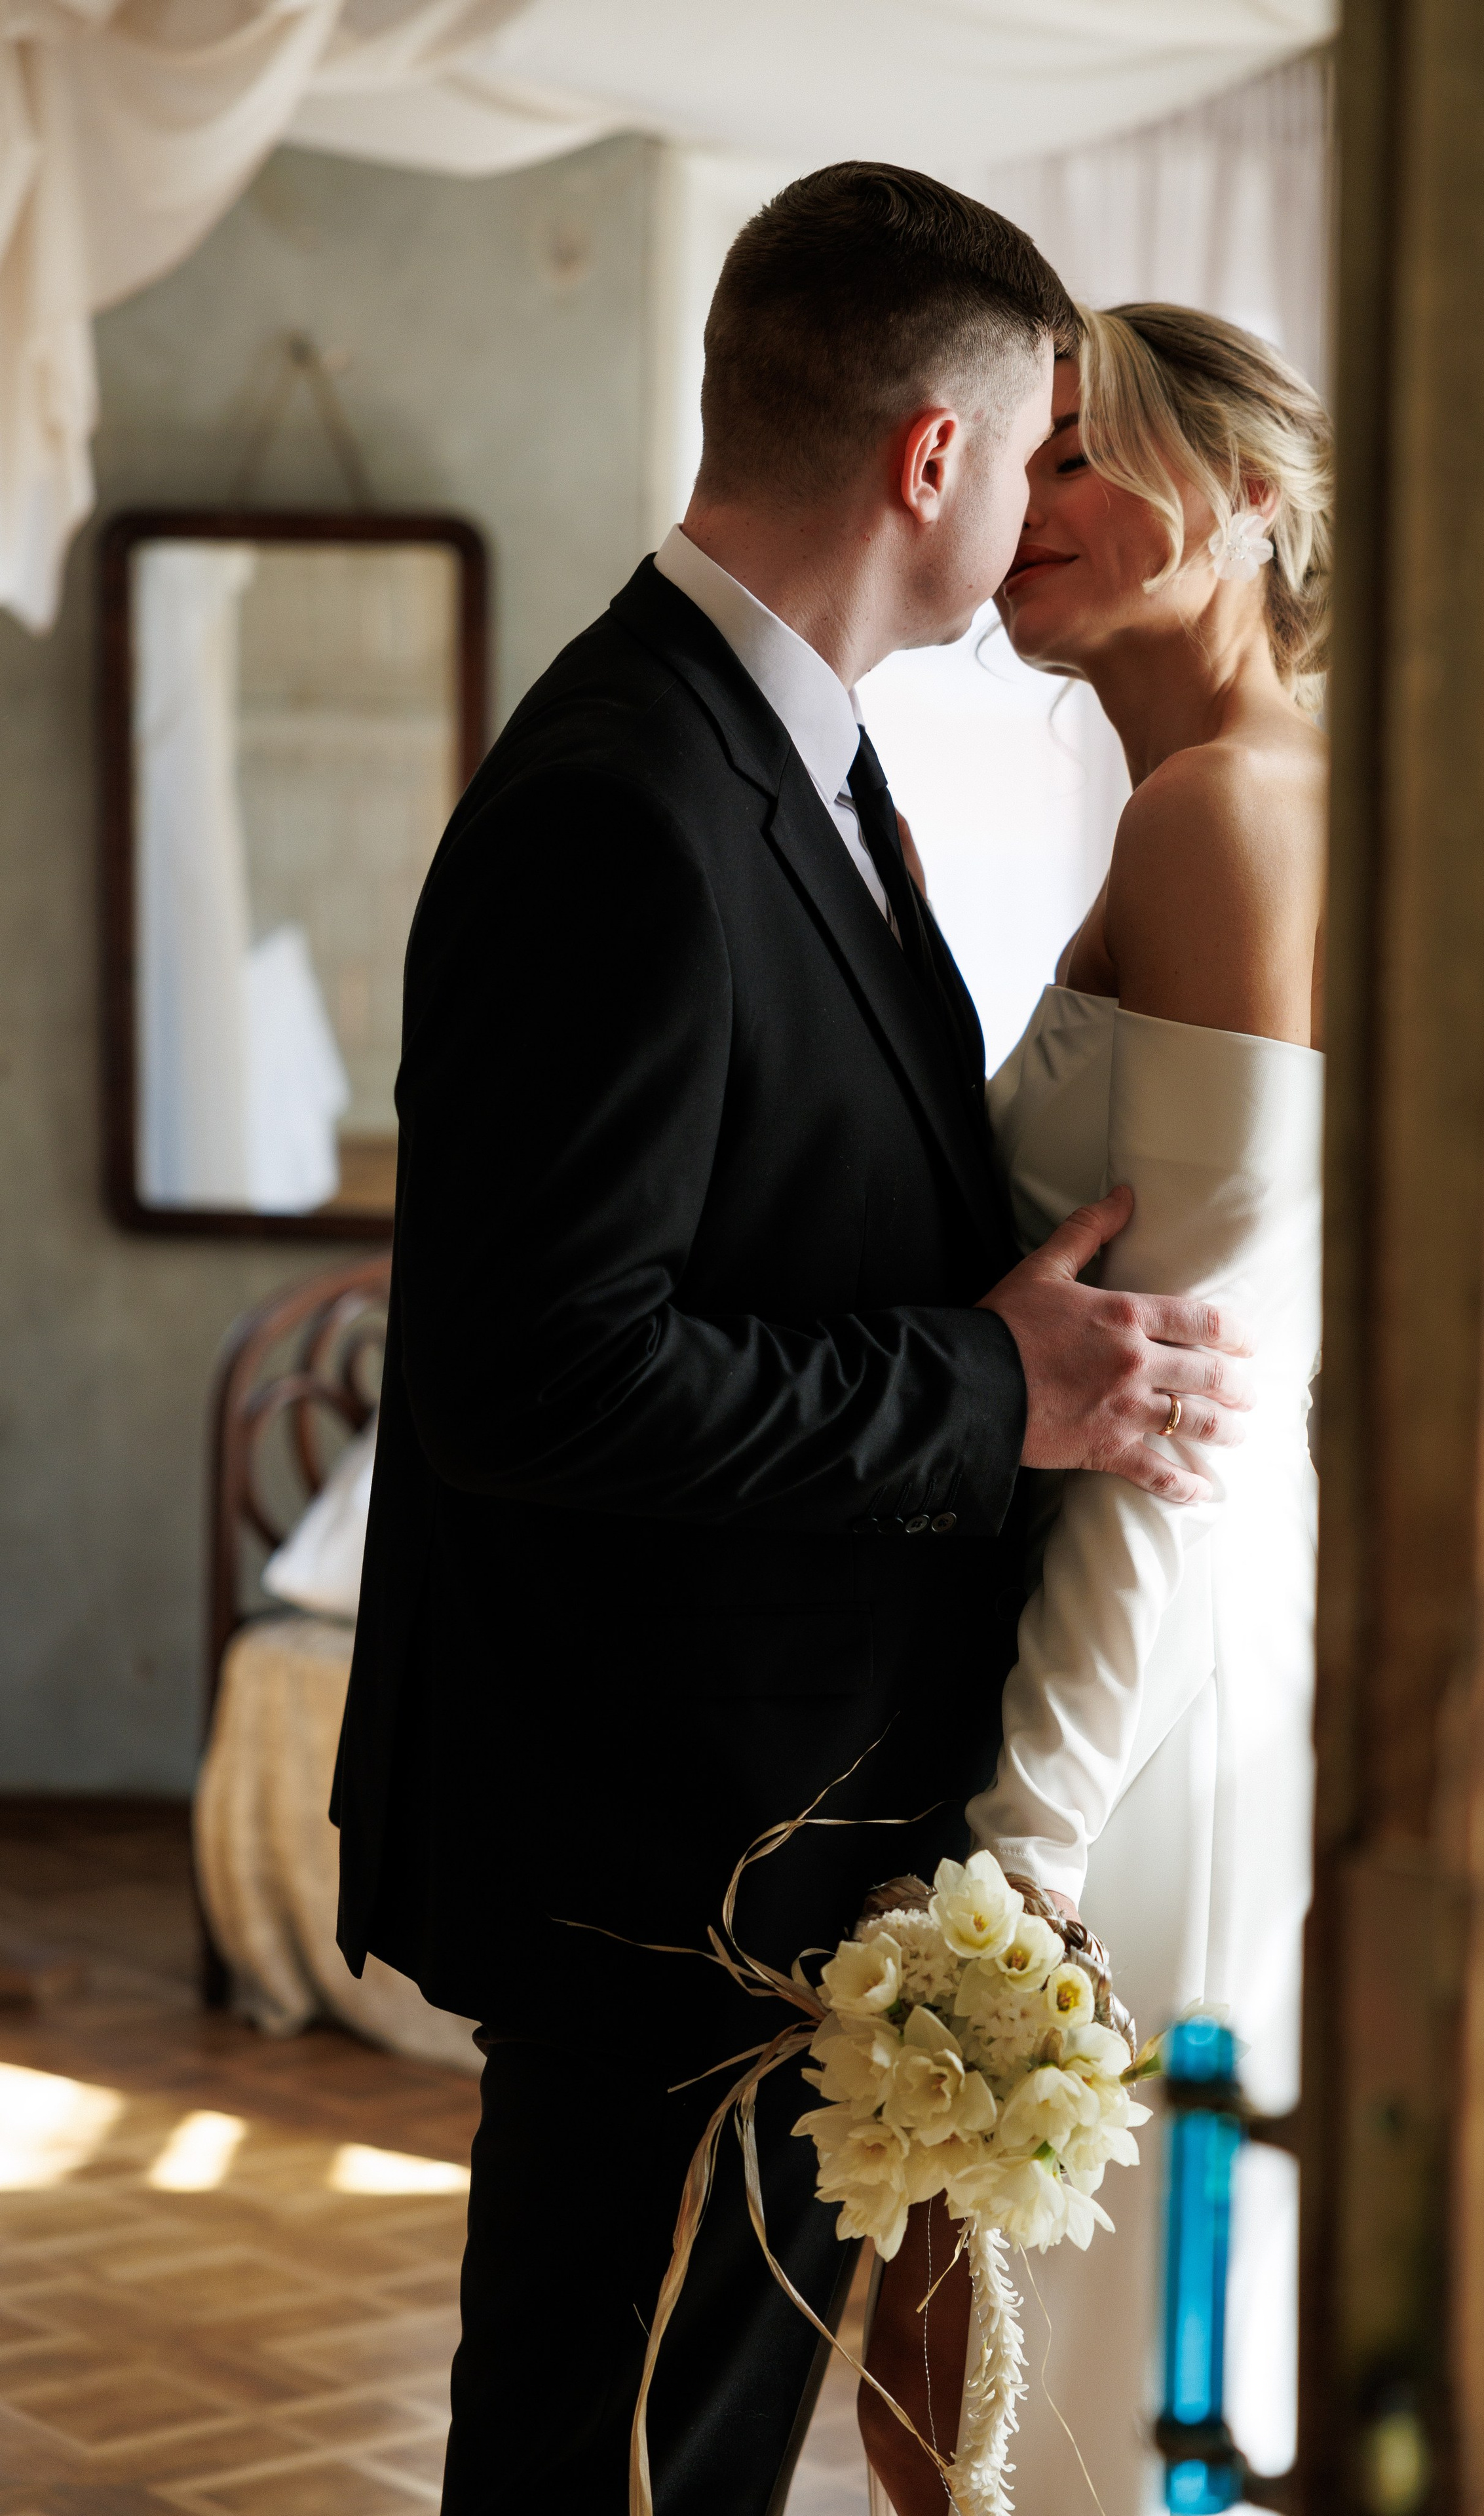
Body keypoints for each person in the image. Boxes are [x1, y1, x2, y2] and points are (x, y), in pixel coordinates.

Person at [332, 172, 1255, 2516]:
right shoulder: (627, 801)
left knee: (690, 2442)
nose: (1047, 502)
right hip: (675, 1836)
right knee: (616, 2454)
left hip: (759, 1819)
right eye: (1037, 447)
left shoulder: (790, 752)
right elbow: (534, 1373)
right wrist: (1001, 1388)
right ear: (929, 464)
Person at [861, 303, 1329, 2516]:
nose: (1021, 508)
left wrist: (1023, 1835)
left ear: (1248, 497)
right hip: (1182, 1628)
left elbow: (1178, 1391)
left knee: (1024, 2326)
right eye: (1019, 460)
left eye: (1083, 462)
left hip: (1129, 1666)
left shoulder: (1229, 816)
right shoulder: (1239, 795)